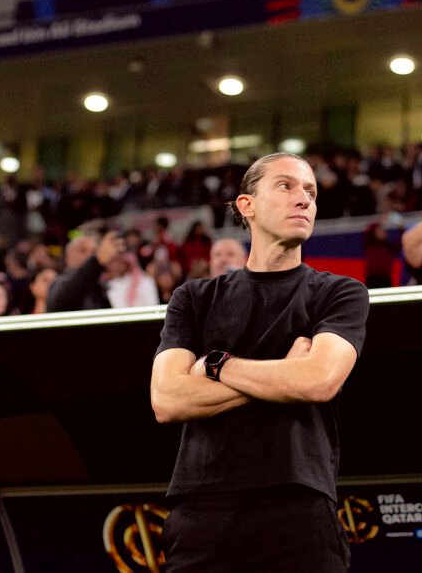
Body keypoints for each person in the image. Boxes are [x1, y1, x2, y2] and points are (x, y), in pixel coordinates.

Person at [150, 152, 369, 573]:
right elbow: (167, 399)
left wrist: (216, 366)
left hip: (299, 507)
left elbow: (318, 381)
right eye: (286, 186)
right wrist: (284, 374)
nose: (304, 199)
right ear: (246, 205)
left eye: (311, 192)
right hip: (201, 510)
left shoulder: (341, 292)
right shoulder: (193, 298)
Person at [46, 231, 125, 312]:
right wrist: (96, 261)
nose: (89, 255)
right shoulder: (59, 283)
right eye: (82, 250)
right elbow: (62, 302)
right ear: (67, 256)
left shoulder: (98, 288)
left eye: (93, 252)